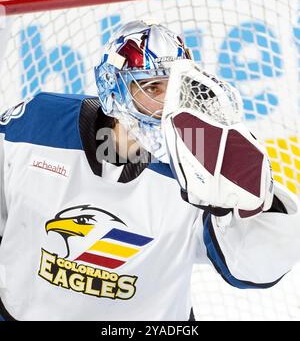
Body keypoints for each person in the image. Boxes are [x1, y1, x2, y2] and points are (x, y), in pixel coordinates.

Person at [0, 20, 299, 321]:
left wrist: (254, 208)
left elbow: (251, 270)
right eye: (152, 86)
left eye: (177, 88)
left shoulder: (198, 159)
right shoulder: (36, 124)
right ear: (113, 88)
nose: (168, 103)